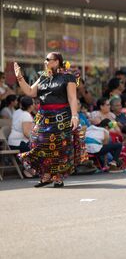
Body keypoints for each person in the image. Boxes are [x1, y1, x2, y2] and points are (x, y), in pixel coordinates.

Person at [13, 52, 81, 187]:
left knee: (59, 147)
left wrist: (74, 116)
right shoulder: (43, 77)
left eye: (48, 60)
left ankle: (57, 177)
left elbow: (72, 98)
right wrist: (20, 77)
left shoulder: (68, 77)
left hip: (61, 117)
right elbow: (30, 92)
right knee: (39, 144)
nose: (45, 62)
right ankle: (46, 175)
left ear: (56, 62)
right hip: (44, 117)